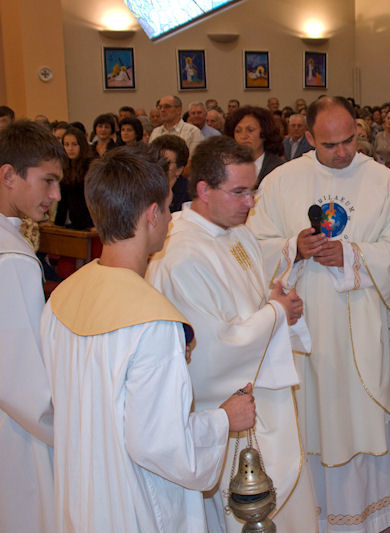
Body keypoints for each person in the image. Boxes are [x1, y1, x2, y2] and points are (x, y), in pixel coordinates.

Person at [40, 144, 257, 532]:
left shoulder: (63, 296)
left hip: (81, 492)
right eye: (169, 208)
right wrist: (225, 419)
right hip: (134, 502)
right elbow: (162, 445)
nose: (172, 220)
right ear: (152, 214)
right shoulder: (153, 321)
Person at [248, 96, 390, 533]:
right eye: (330, 144)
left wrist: (351, 255)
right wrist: (293, 247)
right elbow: (251, 246)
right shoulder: (281, 181)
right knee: (308, 419)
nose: (342, 152)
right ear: (308, 138)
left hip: (360, 322)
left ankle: (365, 515)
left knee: (357, 416)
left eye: (349, 141)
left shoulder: (382, 180)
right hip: (301, 327)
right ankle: (311, 517)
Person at [147, 136, 317, 533]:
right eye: (239, 192)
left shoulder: (237, 233)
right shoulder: (181, 255)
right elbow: (209, 351)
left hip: (259, 392)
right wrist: (276, 313)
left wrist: (275, 302)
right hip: (223, 408)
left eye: (252, 190)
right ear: (204, 190)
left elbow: (249, 302)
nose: (250, 202)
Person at [0, 120, 64, 533]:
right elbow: (20, 384)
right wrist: (70, 430)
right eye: (48, 181)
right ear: (9, 175)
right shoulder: (12, 259)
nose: (55, 195)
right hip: (16, 433)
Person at [225, 105, 285, 185]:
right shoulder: (225, 166)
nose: (243, 136)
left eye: (250, 130)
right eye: (238, 131)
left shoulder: (279, 168)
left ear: (264, 133)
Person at [56, 126, 95, 229]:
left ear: (81, 145)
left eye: (74, 144)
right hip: (75, 223)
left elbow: (96, 199)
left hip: (93, 222)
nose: (70, 149)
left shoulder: (90, 165)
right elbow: (63, 201)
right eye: (66, 145)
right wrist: (57, 225)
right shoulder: (65, 166)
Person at [149, 134, 191, 212]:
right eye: (156, 160)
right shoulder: (142, 188)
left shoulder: (188, 194)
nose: (159, 165)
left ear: (179, 170)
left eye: (166, 163)